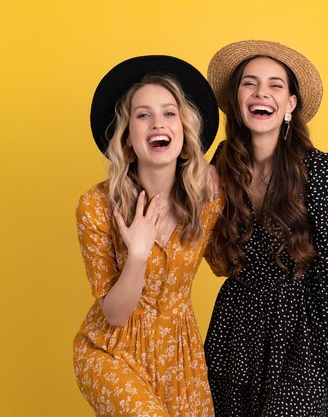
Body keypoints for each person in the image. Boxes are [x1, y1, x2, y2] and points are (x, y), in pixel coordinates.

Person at [203, 40, 328, 416]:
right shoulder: (221, 163)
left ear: (290, 105)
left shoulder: (322, 171)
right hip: (234, 330)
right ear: (237, 100)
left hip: (300, 332)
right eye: (249, 83)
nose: (261, 93)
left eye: (275, 85)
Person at [73, 55, 221, 417]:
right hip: (110, 350)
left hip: (179, 356)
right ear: (127, 138)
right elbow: (115, 314)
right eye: (143, 115)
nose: (158, 122)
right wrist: (137, 254)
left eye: (169, 113)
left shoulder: (209, 202)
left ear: (185, 136)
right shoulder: (96, 206)